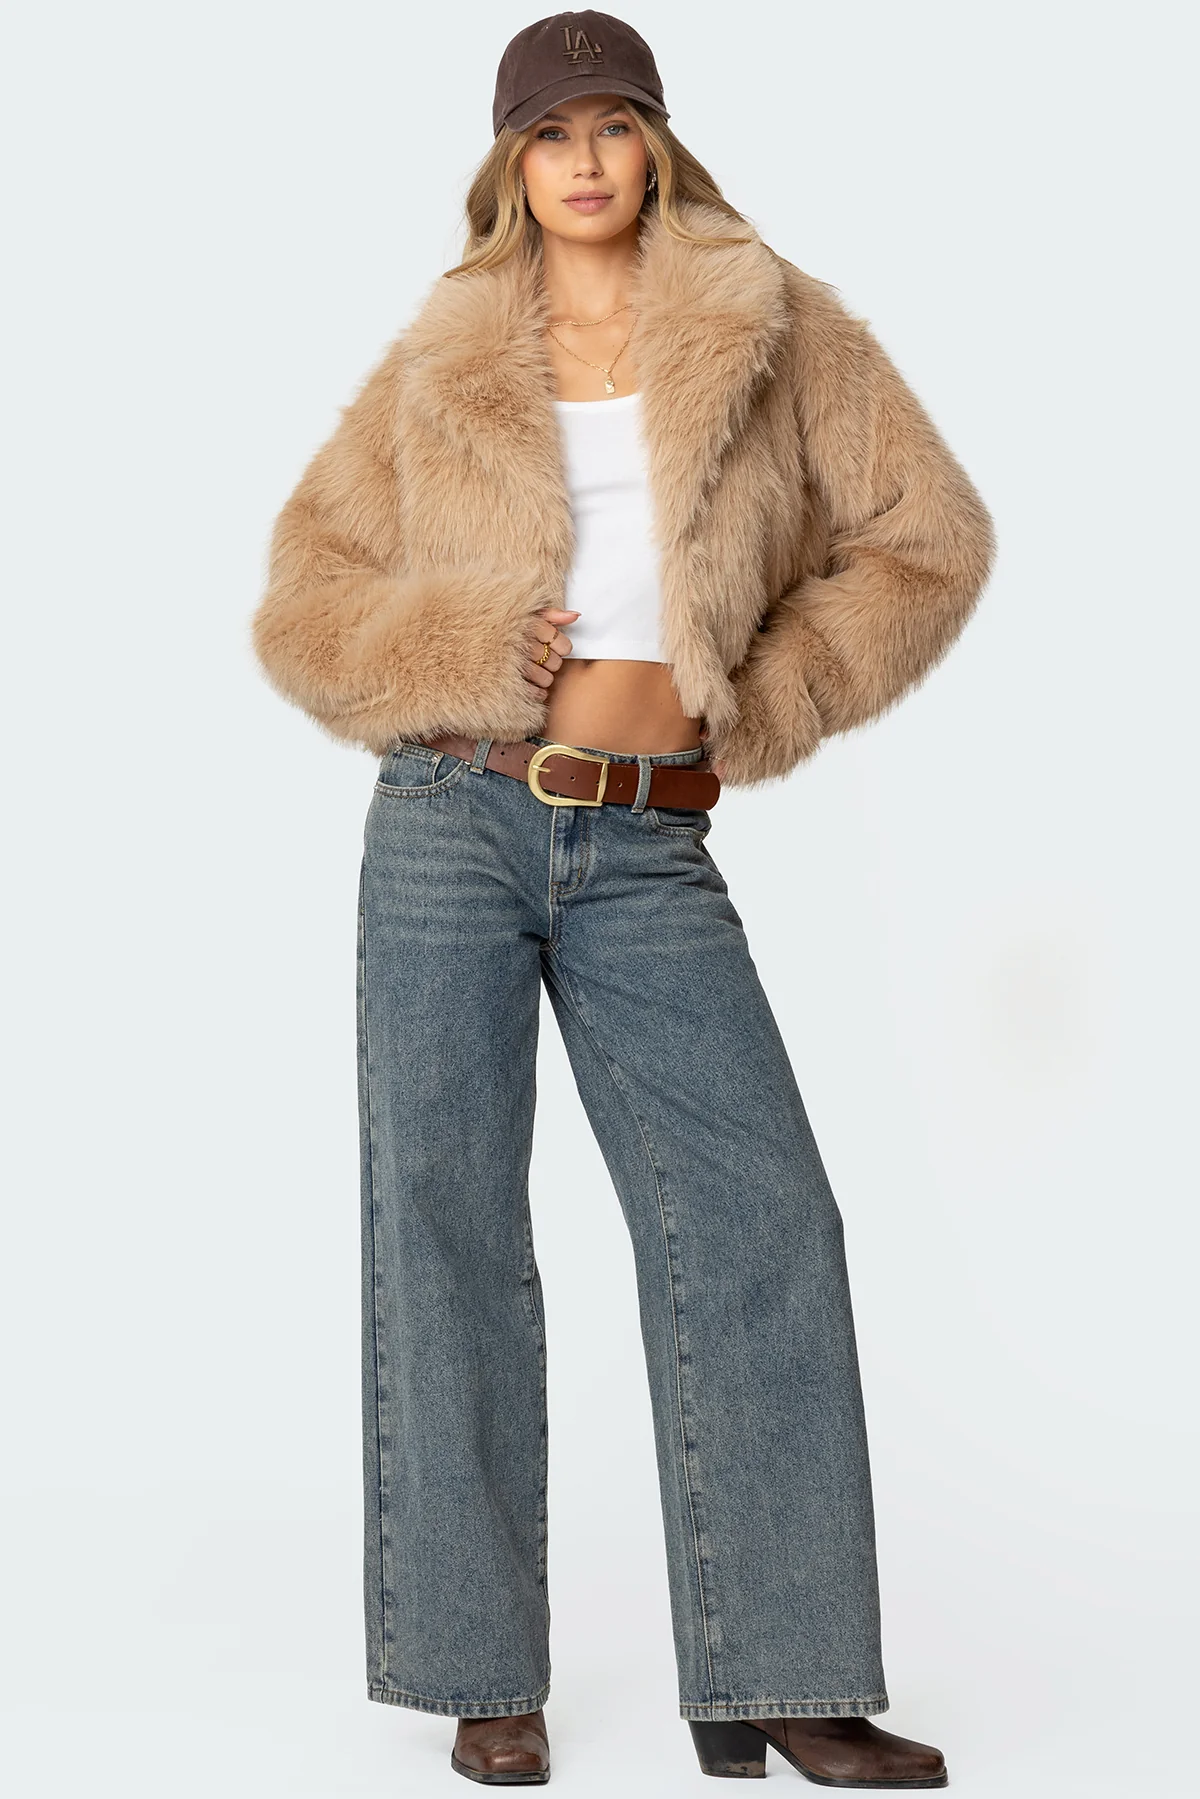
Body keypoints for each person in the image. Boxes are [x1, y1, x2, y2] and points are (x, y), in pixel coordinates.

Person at [250, 10, 994, 1787]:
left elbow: (930, 539)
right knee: (444, 1226)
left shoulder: (776, 325)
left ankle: (786, 1668)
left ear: (656, 143)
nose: (584, 159)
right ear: (511, 162)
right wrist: (454, 638)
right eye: (551, 131)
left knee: (763, 1221)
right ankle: (476, 1672)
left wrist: (773, 691)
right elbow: (304, 599)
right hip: (448, 817)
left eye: (613, 124)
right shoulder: (443, 357)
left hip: (650, 841)